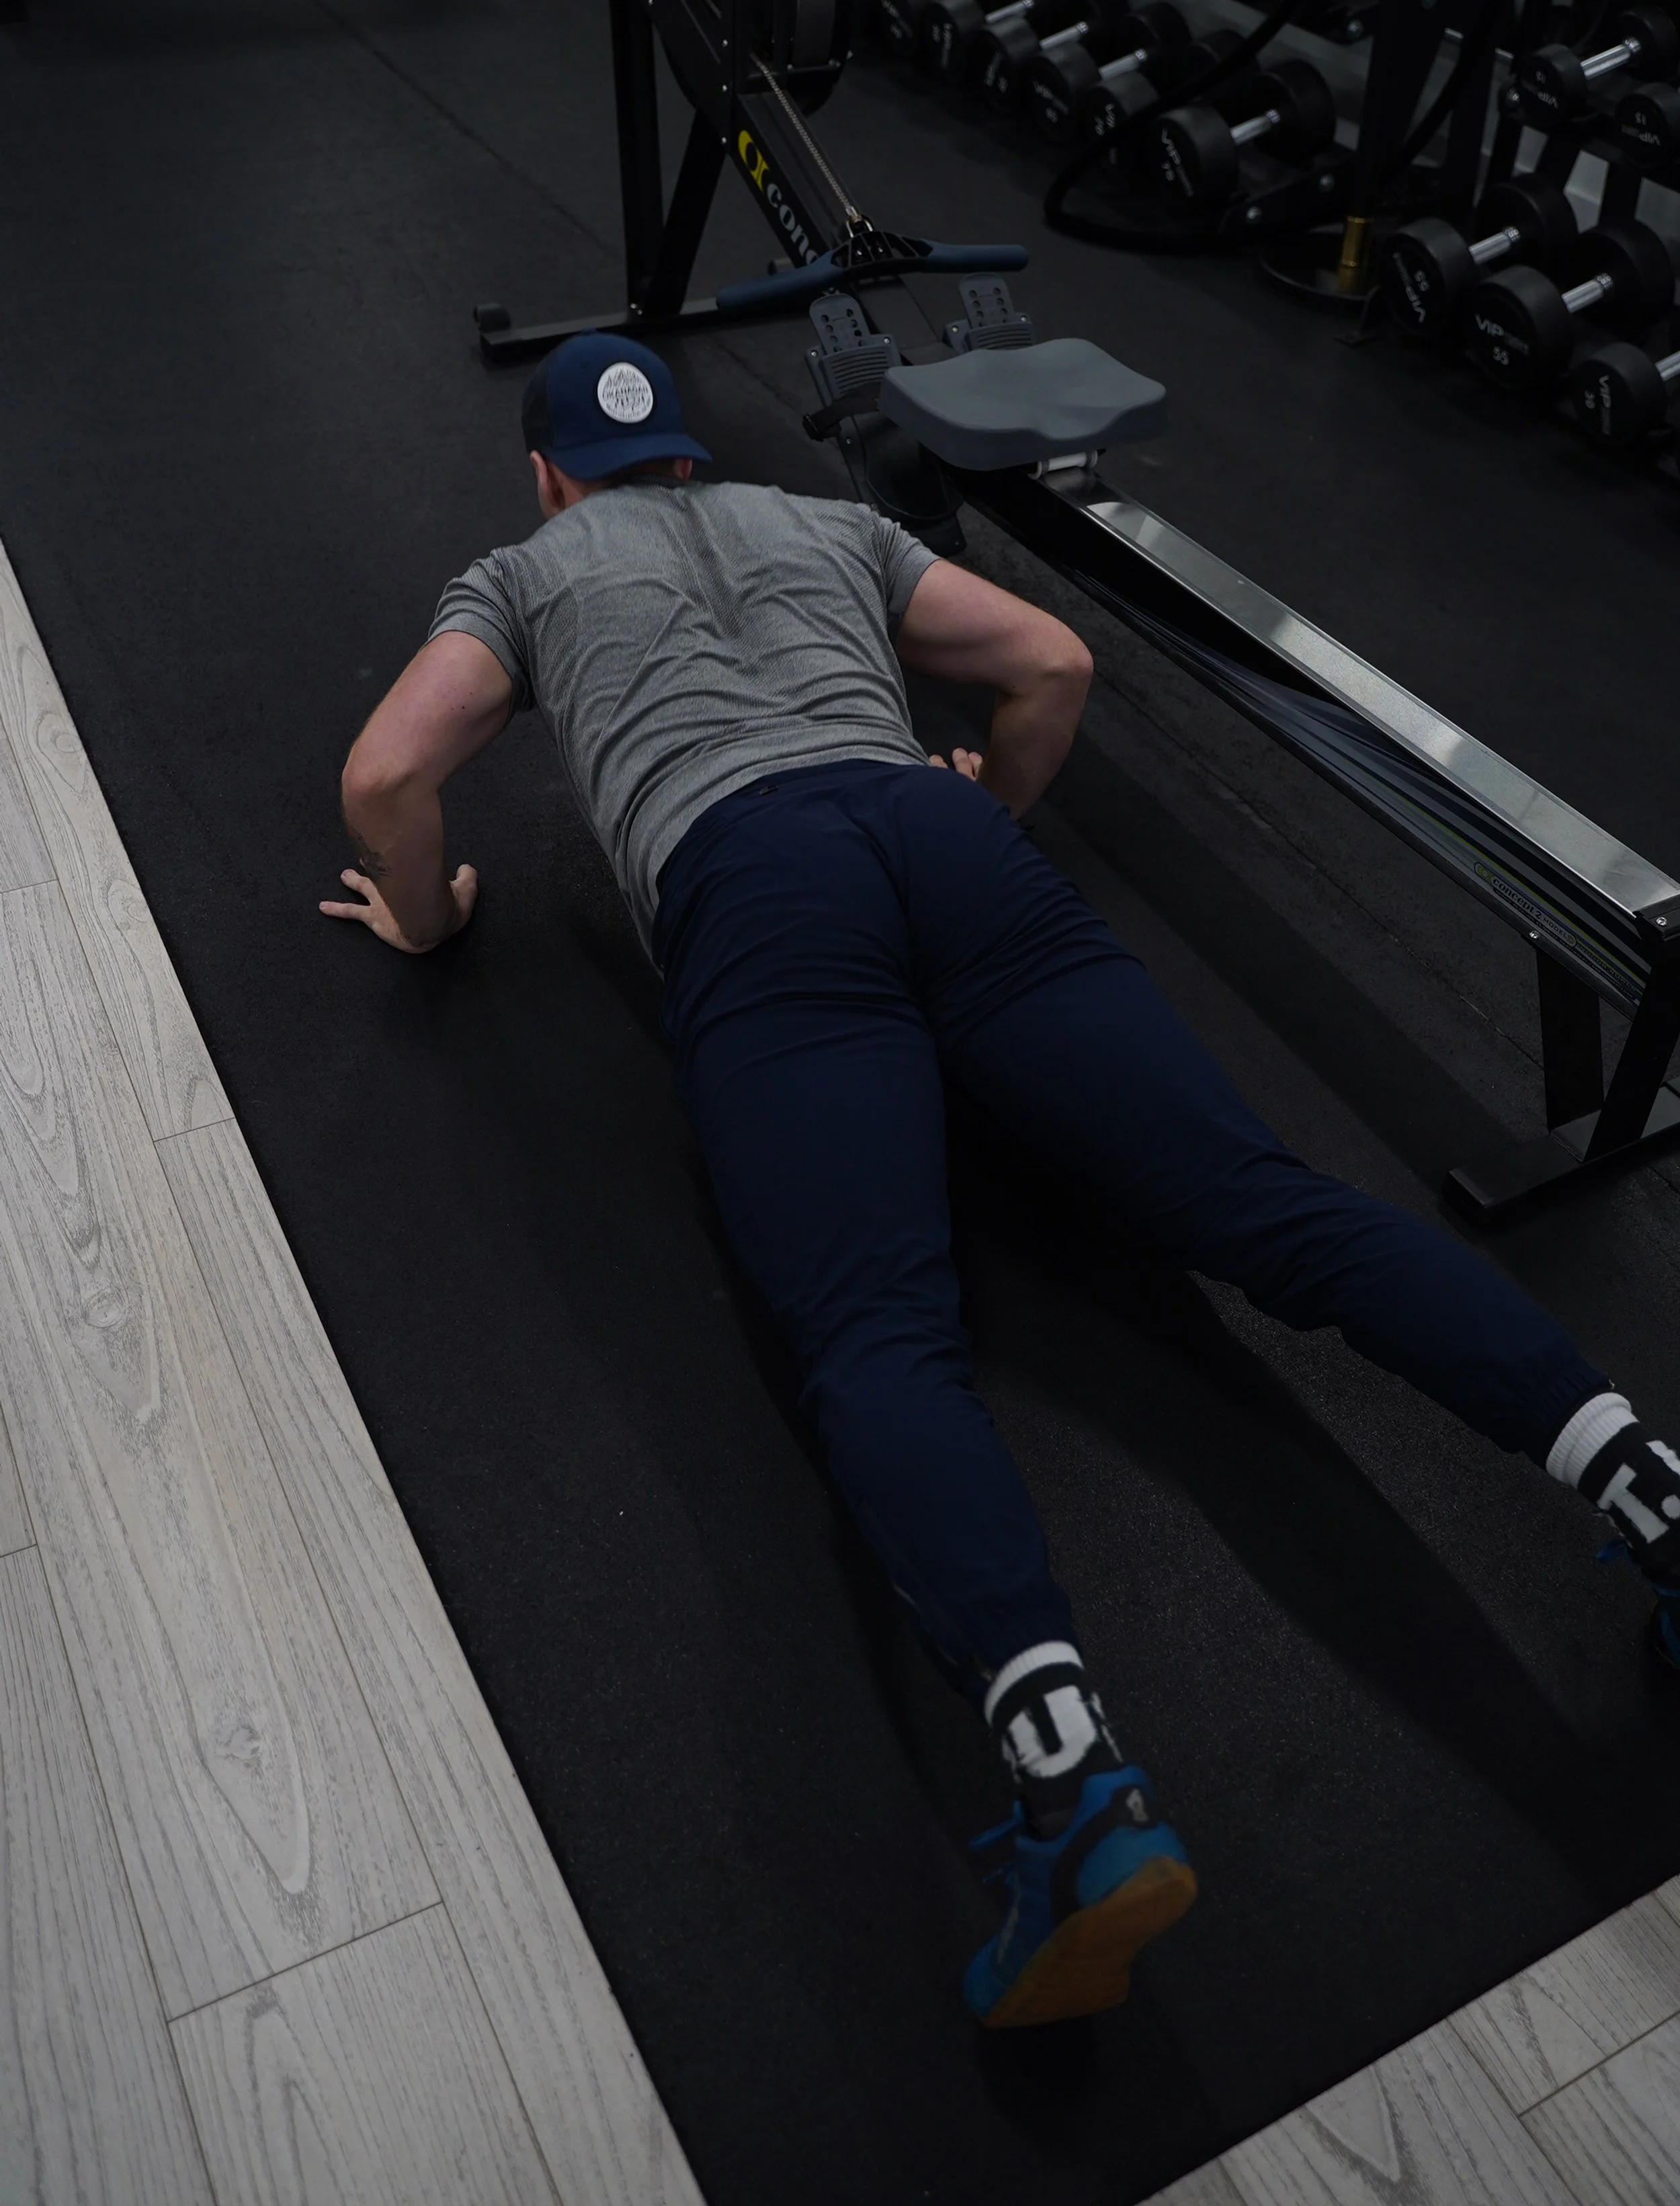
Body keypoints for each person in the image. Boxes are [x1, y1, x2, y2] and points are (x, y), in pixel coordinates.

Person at [323, 330, 1680, 2030]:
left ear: (546, 475)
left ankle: (1075, 1795)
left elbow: (385, 776)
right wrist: (994, 808)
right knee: (1268, 1207)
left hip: (761, 894)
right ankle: (1652, 1493)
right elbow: (1049, 659)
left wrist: (427, 913)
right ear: (680, 451)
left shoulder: (520, 575)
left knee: (877, 1335)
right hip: (946, 848)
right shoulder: (820, 522)